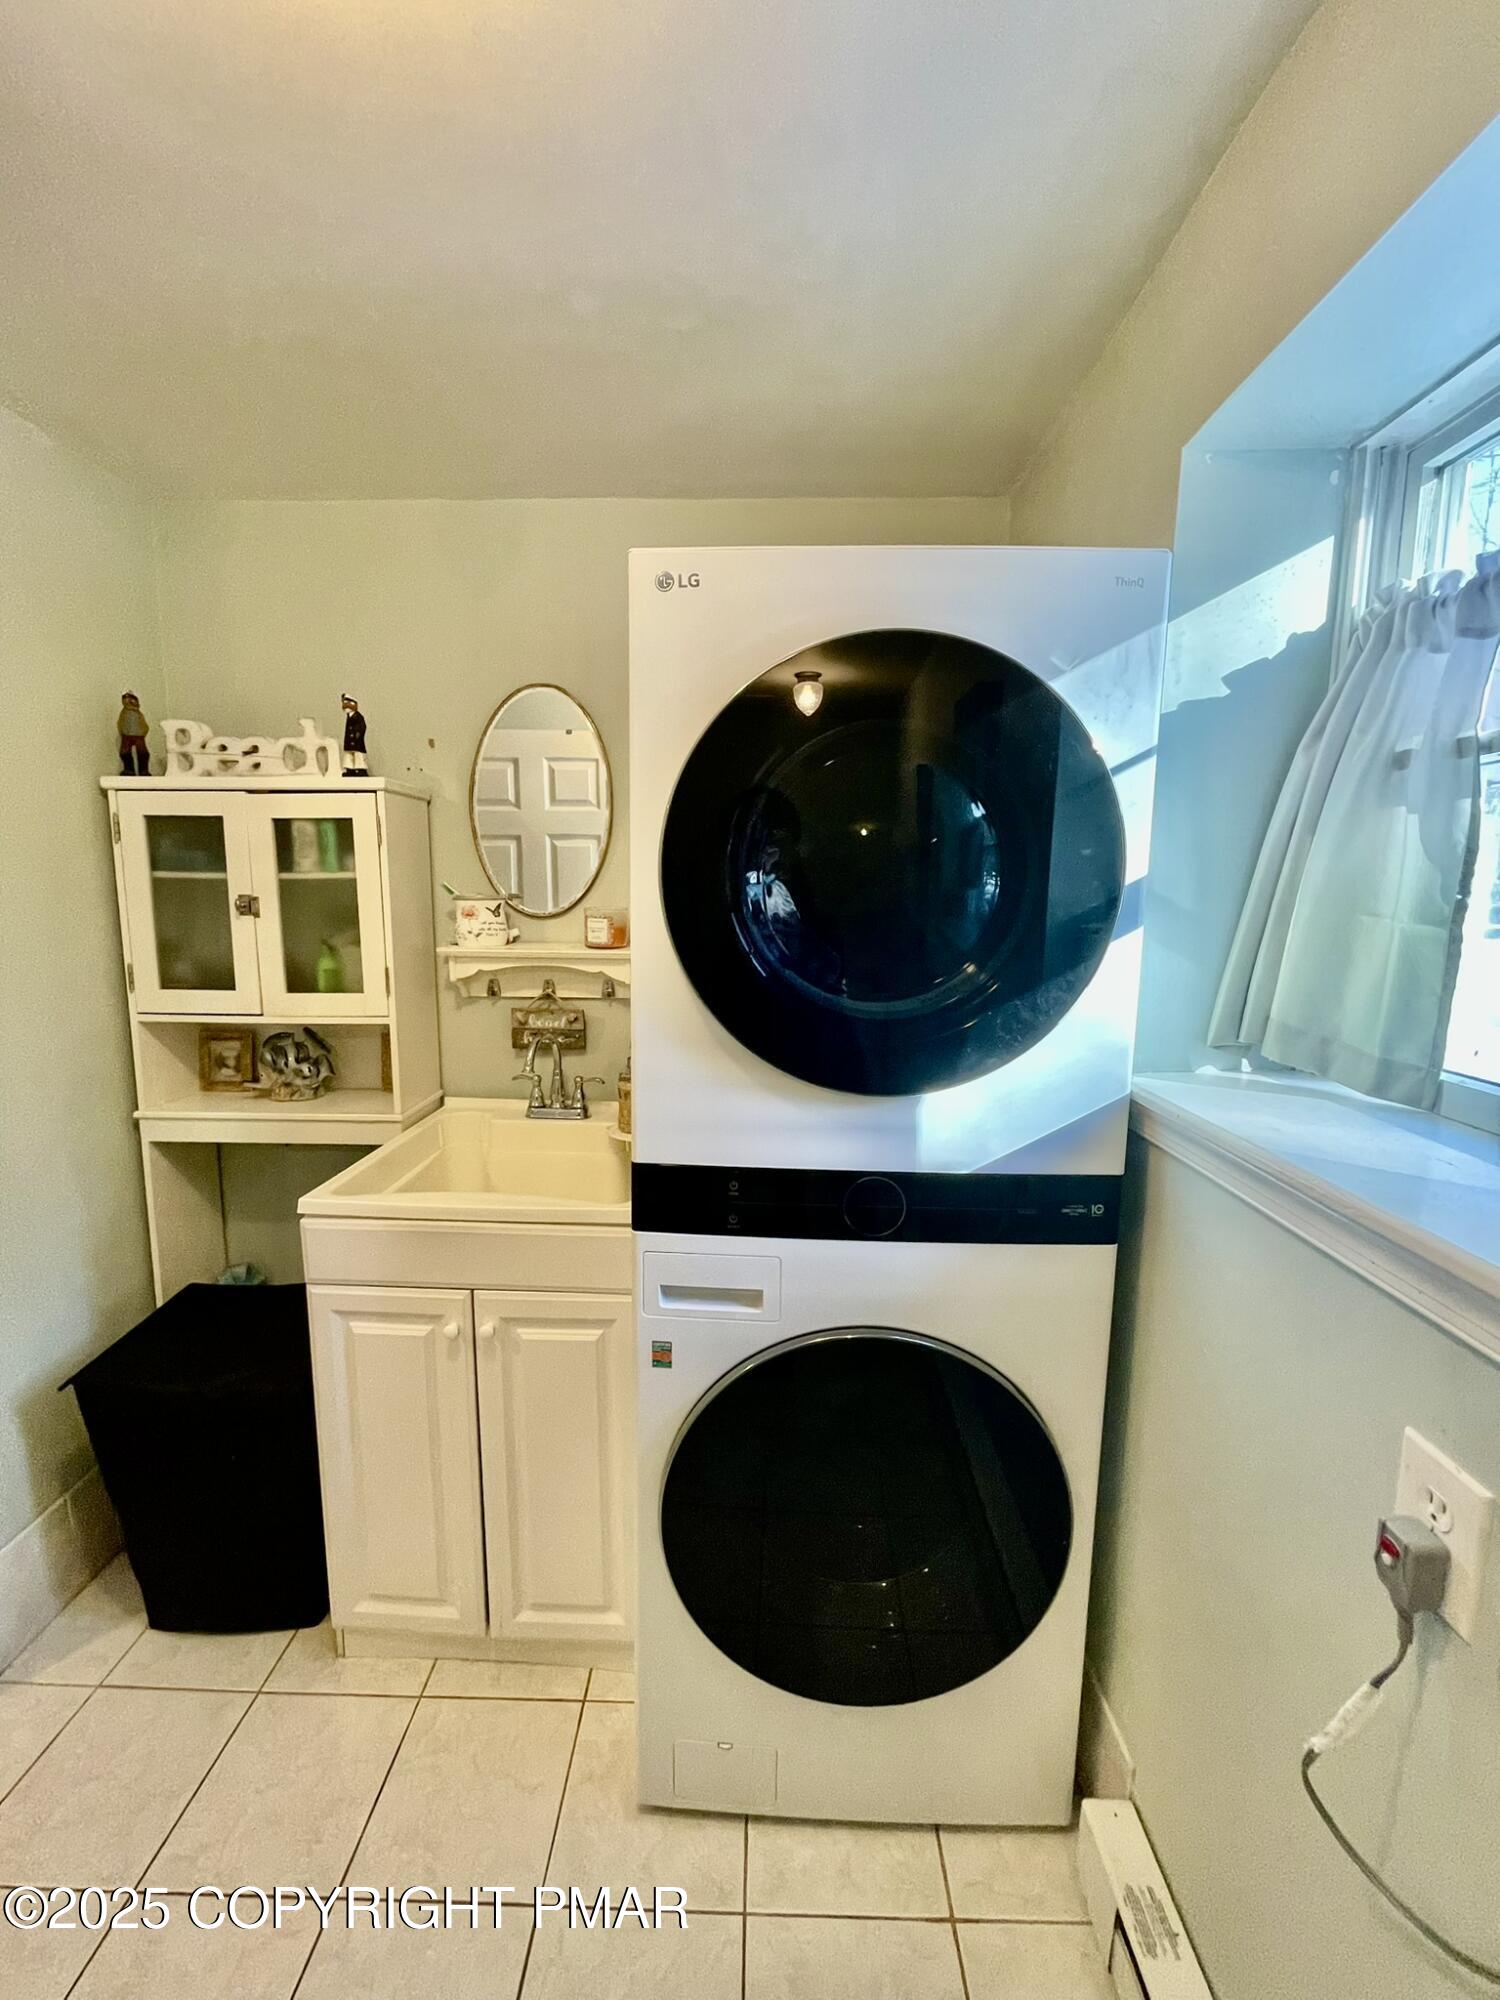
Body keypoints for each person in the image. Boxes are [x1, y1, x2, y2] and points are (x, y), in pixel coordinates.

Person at [117, 691, 149, 776]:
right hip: (127, 736)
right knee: (125, 753)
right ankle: (129, 770)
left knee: (143, 753)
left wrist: (144, 731)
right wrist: (123, 731)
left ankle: (143, 770)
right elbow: (120, 723)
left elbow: (144, 724)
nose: (130, 701)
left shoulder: (138, 714)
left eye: (131, 699)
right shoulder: (124, 713)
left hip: (139, 736)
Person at [341, 693, 368, 777]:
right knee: (349, 756)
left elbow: (363, 726)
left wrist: (358, 734)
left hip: (356, 741)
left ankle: (360, 769)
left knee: (358, 755)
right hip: (349, 741)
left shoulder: (358, 716)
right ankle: (350, 769)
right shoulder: (349, 717)